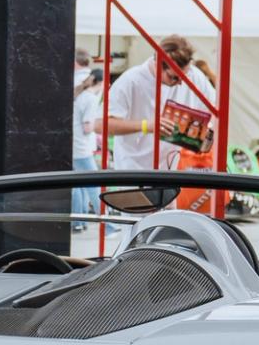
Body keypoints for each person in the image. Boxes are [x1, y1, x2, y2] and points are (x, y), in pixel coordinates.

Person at [102, 35, 215, 169]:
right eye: (173, 77)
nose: (180, 83)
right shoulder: (130, 81)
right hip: (132, 170)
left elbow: (214, 111)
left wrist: (206, 134)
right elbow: (103, 125)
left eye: (184, 76)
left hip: (170, 171)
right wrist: (146, 126)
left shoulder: (195, 76)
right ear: (157, 64)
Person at [71, 50, 102, 225]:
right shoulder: (90, 97)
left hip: (76, 144)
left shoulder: (79, 89)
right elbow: (88, 125)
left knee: (78, 186)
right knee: (93, 187)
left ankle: (78, 222)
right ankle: (110, 226)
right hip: (82, 146)